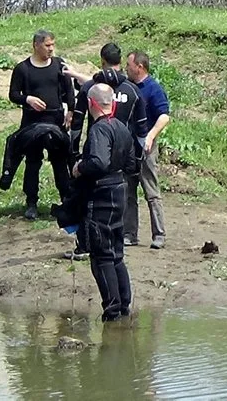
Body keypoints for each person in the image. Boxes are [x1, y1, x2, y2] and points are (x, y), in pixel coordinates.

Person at [61, 43, 148, 260]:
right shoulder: (132, 90)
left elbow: (77, 125)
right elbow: (141, 129)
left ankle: (85, 244)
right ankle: (127, 236)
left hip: (97, 148)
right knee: (126, 193)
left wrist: (74, 155)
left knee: (87, 196)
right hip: (123, 149)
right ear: (121, 61)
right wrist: (138, 159)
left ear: (102, 60)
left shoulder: (91, 88)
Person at [71, 82, 137, 322]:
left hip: (102, 195)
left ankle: (112, 308)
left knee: (101, 255)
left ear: (91, 104)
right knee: (116, 253)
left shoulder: (99, 130)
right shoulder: (122, 127)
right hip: (120, 190)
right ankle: (124, 305)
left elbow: (98, 161)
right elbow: (132, 165)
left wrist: (80, 168)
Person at [8, 29, 75, 220]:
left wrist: (71, 111)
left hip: (56, 120)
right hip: (32, 123)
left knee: (60, 162)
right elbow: (13, 94)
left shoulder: (58, 65)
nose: (51, 49)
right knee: (32, 163)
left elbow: (69, 90)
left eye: (53, 45)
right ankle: (31, 203)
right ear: (36, 45)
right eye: (47, 45)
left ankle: (66, 201)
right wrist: (28, 99)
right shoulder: (23, 69)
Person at [124, 50, 171, 249]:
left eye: (129, 65)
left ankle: (158, 234)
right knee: (128, 191)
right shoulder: (126, 87)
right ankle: (129, 234)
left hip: (146, 149)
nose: (126, 68)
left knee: (151, 192)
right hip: (128, 148)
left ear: (139, 67)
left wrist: (150, 136)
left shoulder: (153, 89)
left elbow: (164, 116)